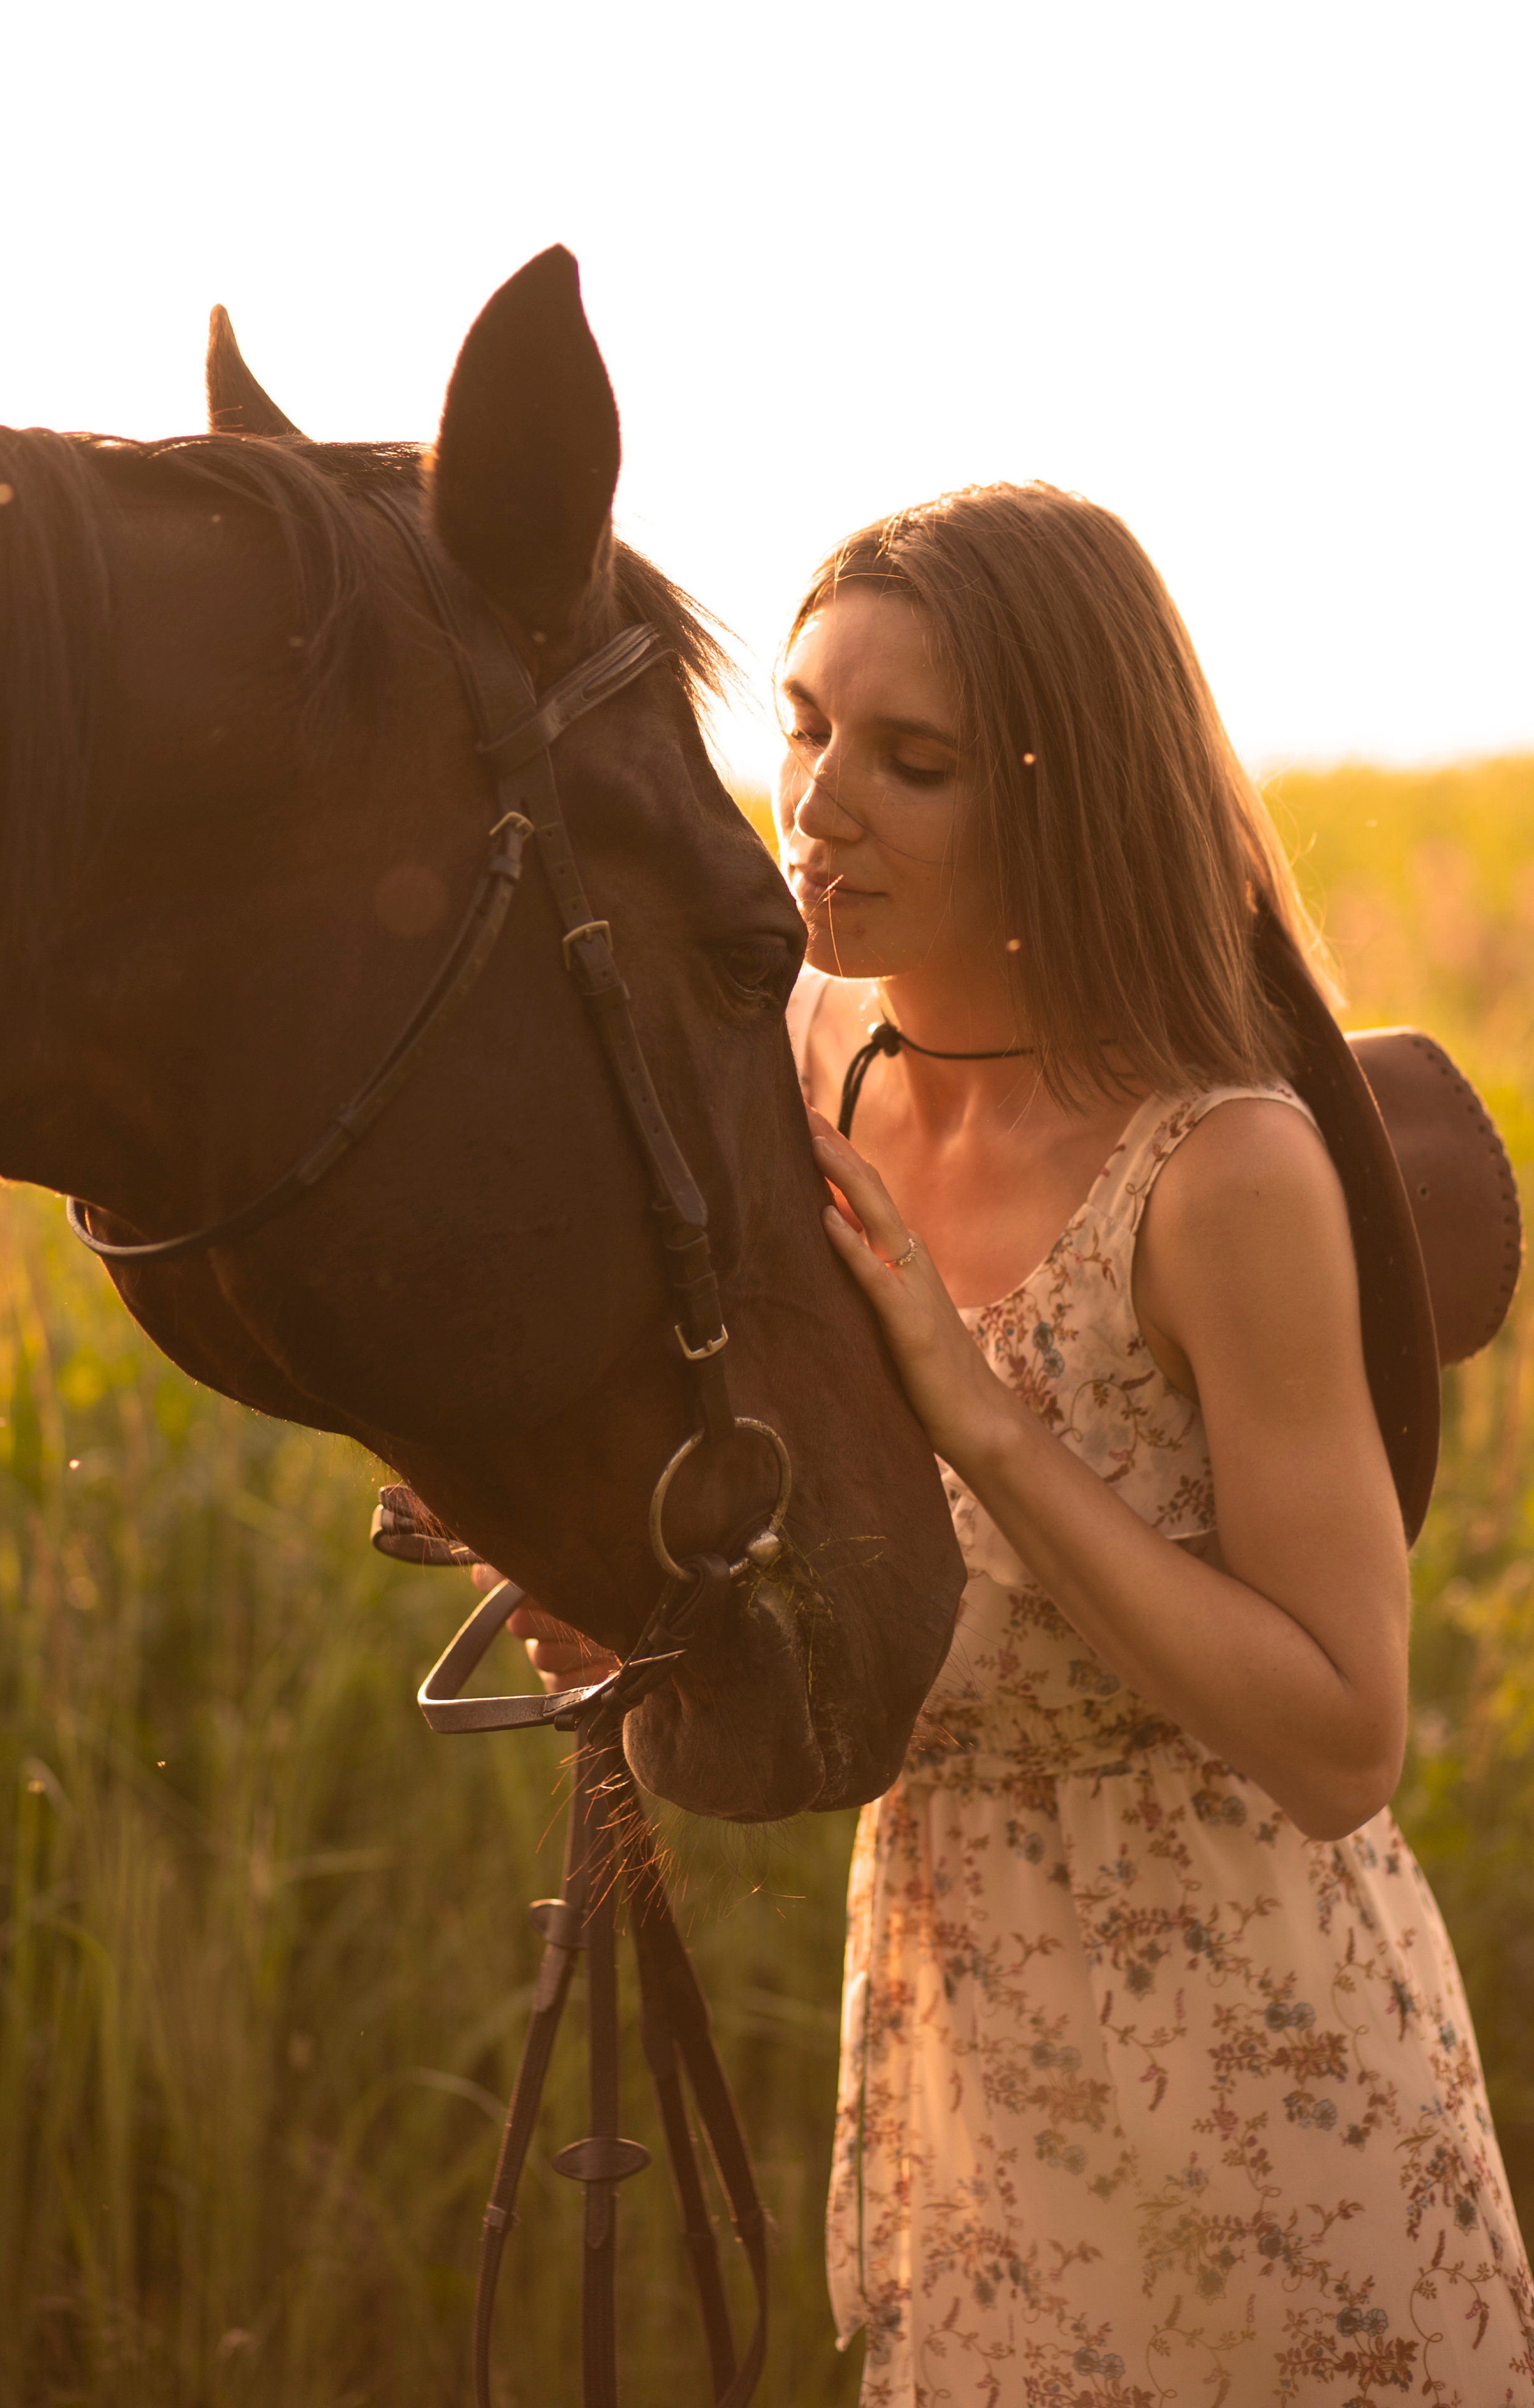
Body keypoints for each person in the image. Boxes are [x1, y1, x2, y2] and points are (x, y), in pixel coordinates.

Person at [492, 480, 1533, 2404]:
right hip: (966, 2067)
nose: (817, 805)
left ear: (1061, 789)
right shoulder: (796, 1062)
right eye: (804, 727)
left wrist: (986, 1422)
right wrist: (629, 1609)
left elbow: (1340, 1741)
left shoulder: (1219, 1169)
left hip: (1268, 2093)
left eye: (914, 761)